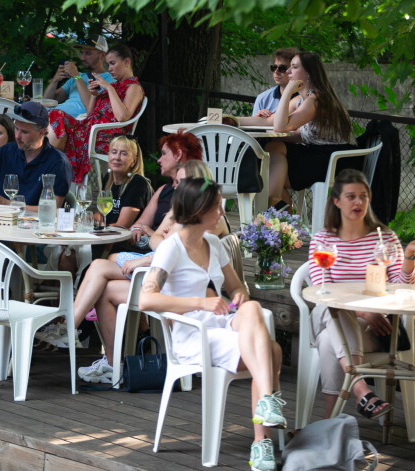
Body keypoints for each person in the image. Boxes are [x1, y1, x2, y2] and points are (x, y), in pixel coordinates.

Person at [138, 177, 285, 471]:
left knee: (253, 307)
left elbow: (237, 289)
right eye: (217, 206)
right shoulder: (172, 248)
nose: (222, 212)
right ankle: (261, 441)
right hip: (192, 334)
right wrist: (201, 302)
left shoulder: (215, 244)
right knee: (271, 351)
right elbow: (146, 300)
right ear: (198, 209)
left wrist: (239, 300)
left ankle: (265, 412)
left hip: (220, 324)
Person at [69, 162, 229, 364]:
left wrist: (147, 257)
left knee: (100, 268)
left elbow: (177, 252)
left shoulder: (209, 219)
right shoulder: (177, 212)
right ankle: (108, 359)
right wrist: (159, 247)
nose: (175, 188)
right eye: (175, 182)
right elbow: (156, 243)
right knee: (102, 280)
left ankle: (73, 331)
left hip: (182, 289)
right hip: (164, 278)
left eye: (180, 183)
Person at [308, 169, 415, 420]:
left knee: (327, 342)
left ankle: (328, 424)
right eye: (351, 197)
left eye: (363, 197)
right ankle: (361, 390)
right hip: (333, 314)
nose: (358, 202)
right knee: (335, 310)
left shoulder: (385, 237)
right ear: (337, 201)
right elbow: (320, 289)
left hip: (374, 329)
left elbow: (400, 286)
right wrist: (362, 311)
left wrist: (409, 260)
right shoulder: (323, 240)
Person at [239, 51, 356, 211]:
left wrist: (287, 91)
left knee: (269, 171)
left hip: (336, 160)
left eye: (293, 67)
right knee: (273, 148)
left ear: (308, 73)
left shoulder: (316, 100)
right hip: (319, 154)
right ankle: (279, 208)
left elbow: (280, 127)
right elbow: (269, 121)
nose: (287, 71)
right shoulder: (302, 98)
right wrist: (231, 120)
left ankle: (277, 209)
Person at [57, 134, 152, 276]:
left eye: (124, 154)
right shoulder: (108, 179)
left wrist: (92, 226)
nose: (117, 157)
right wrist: (81, 220)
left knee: (71, 254)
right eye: (114, 152)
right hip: (106, 239)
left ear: (134, 161)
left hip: (122, 245)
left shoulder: (137, 183)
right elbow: (101, 216)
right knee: (64, 252)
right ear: (108, 155)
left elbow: (122, 225)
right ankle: (66, 294)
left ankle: (74, 293)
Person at [47, 43, 145, 183]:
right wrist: (94, 95)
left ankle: (50, 171)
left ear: (127, 62)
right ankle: (53, 169)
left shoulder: (133, 87)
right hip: (90, 128)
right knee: (56, 114)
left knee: (57, 130)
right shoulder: (114, 85)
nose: (109, 69)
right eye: (108, 65)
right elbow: (90, 113)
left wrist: (108, 88)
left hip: (105, 135)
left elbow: (123, 116)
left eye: (112, 63)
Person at [0, 101, 71, 210]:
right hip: (3, 221)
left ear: (41, 132)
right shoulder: (8, 151)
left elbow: (52, 209)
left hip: (36, 226)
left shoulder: (58, 163)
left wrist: (7, 204)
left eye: (24, 132)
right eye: (16, 129)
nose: (17, 136)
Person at [127, 130, 204, 248]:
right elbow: (139, 225)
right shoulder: (164, 189)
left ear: (178, 155)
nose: (159, 160)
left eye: (163, 154)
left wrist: (149, 232)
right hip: (148, 246)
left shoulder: (195, 194)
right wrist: (138, 229)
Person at [44, 35, 114, 118]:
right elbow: (46, 102)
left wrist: (76, 76)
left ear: (102, 55)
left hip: (71, 123)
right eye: (82, 53)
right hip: (52, 116)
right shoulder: (79, 75)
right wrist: (55, 80)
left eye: (88, 53)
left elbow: (91, 109)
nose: (82, 58)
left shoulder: (109, 80)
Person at [252, 48, 298, 118]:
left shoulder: (305, 97)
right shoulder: (263, 98)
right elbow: (252, 127)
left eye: (282, 68)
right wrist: (257, 118)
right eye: (274, 67)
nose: (276, 71)